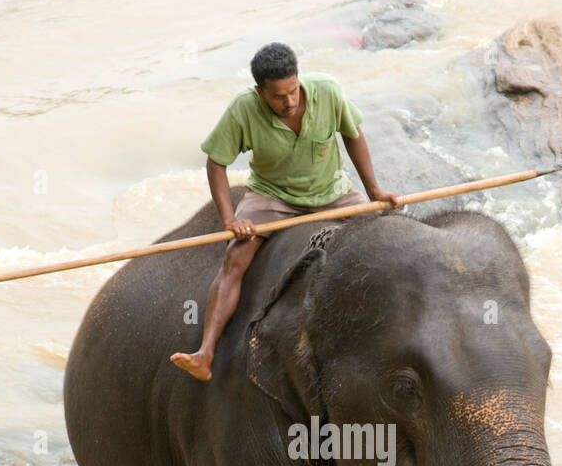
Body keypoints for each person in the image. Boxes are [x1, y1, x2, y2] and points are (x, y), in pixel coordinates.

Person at [170, 42, 401, 381]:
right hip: (273, 197)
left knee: (389, 235)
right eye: (278, 96)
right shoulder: (243, 109)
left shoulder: (328, 91)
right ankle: (205, 353)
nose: (290, 102)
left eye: (293, 91)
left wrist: (374, 192)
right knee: (236, 259)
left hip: (332, 193)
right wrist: (230, 220)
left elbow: (353, 135)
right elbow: (216, 162)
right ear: (259, 92)